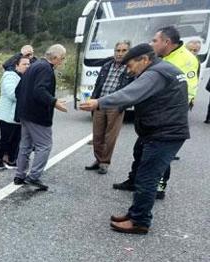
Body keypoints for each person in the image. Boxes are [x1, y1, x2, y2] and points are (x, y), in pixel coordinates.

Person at [80, 43, 189, 234]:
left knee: (147, 177)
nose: (129, 70)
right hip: (158, 129)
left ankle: (139, 221)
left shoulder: (155, 73)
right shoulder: (163, 68)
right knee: (140, 169)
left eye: (130, 65)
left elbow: (130, 93)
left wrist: (99, 102)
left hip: (164, 133)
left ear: (144, 60)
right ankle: (134, 213)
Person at [112, 26, 198, 199]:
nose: (152, 43)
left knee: (157, 159)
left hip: (167, 120)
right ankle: (134, 180)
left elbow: (186, 89)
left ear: (166, 42)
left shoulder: (185, 59)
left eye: (154, 40)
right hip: (152, 119)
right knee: (140, 151)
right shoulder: (160, 58)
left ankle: (157, 187)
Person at [13, 44, 68, 191]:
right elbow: (40, 90)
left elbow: (18, 89)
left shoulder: (34, 65)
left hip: (24, 113)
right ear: (55, 58)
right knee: (44, 146)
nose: (62, 61)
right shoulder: (46, 69)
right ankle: (33, 177)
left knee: (25, 145)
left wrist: (24, 105)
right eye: (62, 58)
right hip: (37, 115)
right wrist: (54, 102)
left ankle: (20, 175)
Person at [85, 40, 133, 174]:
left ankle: (105, 162)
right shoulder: (107, 65)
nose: (120, 54)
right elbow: (98, 84)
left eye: (124, 51)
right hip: (100, 103)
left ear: (129, 52)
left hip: (116, 106)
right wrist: (93, 100)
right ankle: (98, 159)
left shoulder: (131, 68)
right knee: (97, 135)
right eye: (118, 50)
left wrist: (122, 106)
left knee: (110, 136)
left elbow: (131, 90)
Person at [0, 55, 31, 170]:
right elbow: (12, 94)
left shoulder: (25, 77)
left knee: (16, 138)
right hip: (6, 114)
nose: (27, 66)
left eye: (29, 64)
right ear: (16, 66)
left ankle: (11, 160)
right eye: (24, 64)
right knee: (5, 138)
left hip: (18, 115)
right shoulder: (9, 76)